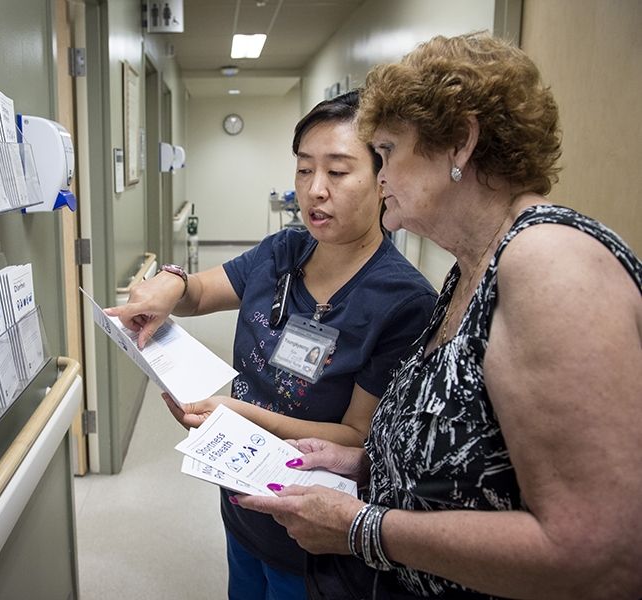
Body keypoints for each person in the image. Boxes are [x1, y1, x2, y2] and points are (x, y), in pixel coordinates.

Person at [235, 32, 642, 599]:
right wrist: (365, 462)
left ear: (461, 143)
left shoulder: (550, 265)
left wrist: (363, 529)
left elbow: (603, 555)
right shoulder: (471, 268)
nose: (380, 178)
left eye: (390, 152)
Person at [107, 91, 437, 600]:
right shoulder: (286, 249)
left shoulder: (402, 301)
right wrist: (171, 284)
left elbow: (355, 438)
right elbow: (198, 293)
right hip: (242, 499)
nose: (314, 191)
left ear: (383, 177)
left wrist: (239, 414)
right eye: (304, 170)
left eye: (338, 171)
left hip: (311, 529)